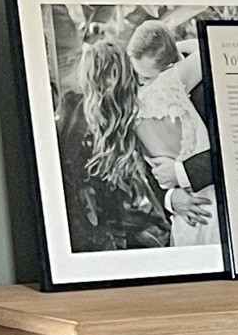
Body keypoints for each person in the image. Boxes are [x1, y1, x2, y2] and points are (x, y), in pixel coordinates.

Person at [57, 37, 178, 254]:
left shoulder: (71, 108)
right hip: (129, 232)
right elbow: (156, 177)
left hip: (83, 233)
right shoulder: (136, 117)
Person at [128, 18, 218, 246]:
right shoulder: (142, 103)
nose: (143, 85)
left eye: (147, 77)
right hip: (184, 217)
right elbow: (149, 168)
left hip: (221, 209)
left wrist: (182, 173)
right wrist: (170, 198)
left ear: (170, 69)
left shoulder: (211, 81)